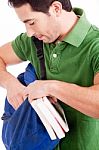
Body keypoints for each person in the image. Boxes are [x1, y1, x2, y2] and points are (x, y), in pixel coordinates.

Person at [0, 0, 99, 149]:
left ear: (56, 8)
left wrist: (51, 87)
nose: (29, 32)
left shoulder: (95, 46)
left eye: (32, 22)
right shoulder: (33, 41)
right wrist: (10, 84)